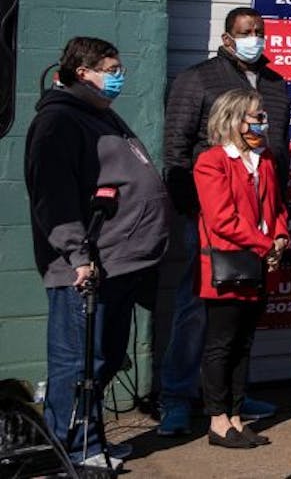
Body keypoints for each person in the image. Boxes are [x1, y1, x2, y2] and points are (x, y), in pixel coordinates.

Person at [24, 37, 169, 468]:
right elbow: (53, 195)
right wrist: (77, 255)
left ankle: (90, 439)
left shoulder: (100, 115)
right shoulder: (60, 121)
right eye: (111, 67)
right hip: (86, 267)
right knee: (78, 361)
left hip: (122, 264)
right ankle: (69, 450)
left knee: (103, 359)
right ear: (82, 72)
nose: (118, 75)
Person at [158, 7, 288, 435]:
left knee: (244, 316)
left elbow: (276, 156)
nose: (255, 37)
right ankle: (177, 397)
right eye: (246, 32)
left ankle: (232, 398)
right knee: (197, 309)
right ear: (228, 37)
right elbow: (176, 148)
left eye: (260, 31)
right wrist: (192, 210)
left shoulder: (274, 84)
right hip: (211, 216)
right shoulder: (197, 78)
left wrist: (275, 219)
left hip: (259, 218)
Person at [192, 89, 289, 449]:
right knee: (222, 344)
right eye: (254, 115)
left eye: (262, 115)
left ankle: (235, 416)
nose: (261, 121)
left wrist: (280, 238)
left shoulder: (263, 161)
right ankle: (217, 420)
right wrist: (265, 247)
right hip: (229, 266)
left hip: (260, 264)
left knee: (244, 344)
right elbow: (222, 220)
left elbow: (277, 208)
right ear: (232, 118)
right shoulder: (212, 161)